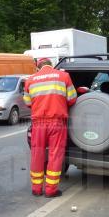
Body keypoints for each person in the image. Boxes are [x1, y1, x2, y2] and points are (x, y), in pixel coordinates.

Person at [24, 64, 77, 197]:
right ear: (51, 65)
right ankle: (50, 190)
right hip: (57, 122)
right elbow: (72, 99)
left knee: (37, 154)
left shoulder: (30, 80)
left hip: (38, 123)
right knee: (55, 154)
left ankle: (36, 189)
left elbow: (28, 102)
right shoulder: (63, 76)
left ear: (38, 67)